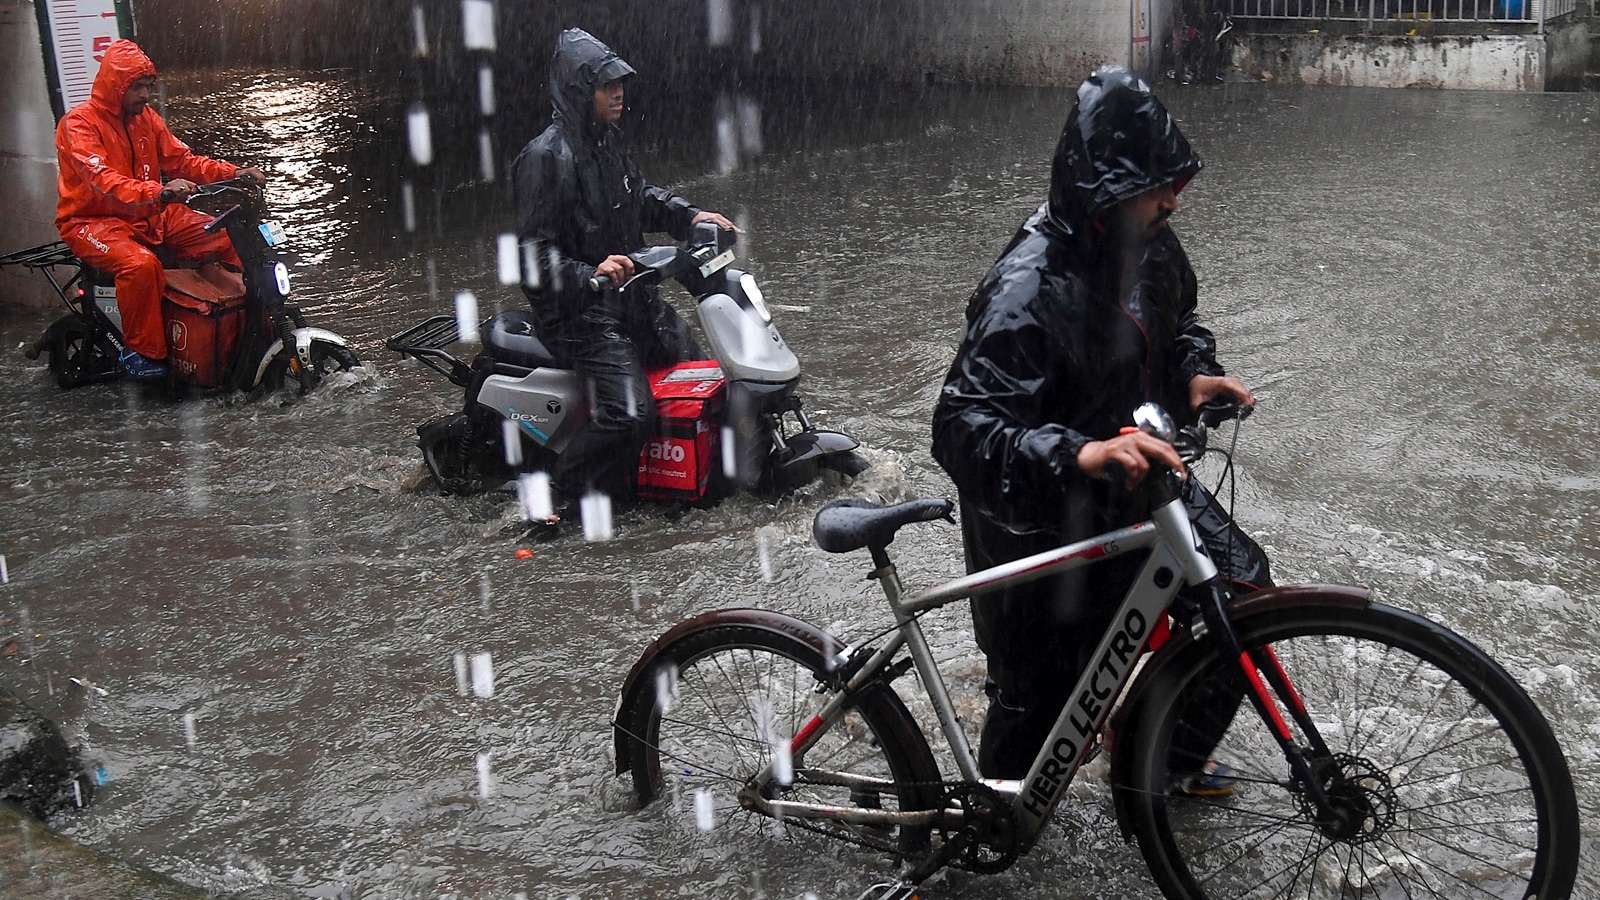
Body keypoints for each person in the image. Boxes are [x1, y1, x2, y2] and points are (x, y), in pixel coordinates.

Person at [930, 66, 1272, 782]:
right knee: (1037, 713)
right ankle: (982, 847)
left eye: (1176, 179)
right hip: (1042, 517)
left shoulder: (1152, 247)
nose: (1174, 197)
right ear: (1103, 193)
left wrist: (1192, 376)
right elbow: (963, 427)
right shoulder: (1026, 290)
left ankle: (1156, 760)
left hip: (1142, 482)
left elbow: (1176, 327)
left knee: (1244, 600)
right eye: (1157, 184)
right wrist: (1077, 455)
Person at [509, 27, 738, 504]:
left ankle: (690, 479)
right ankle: (554, 494)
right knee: (631, 413)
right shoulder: (545, 158)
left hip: (634, 300)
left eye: (620, 83)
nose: (618, 92)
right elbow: (533, 257)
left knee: (706, 379)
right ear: (578, 90)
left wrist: (689, 215)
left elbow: (640, 198)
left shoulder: (607, 142)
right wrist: (590, 273)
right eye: (606, 85)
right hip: (580, 317)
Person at [54, 39, 267, 380]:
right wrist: (161, 192)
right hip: (91, 222)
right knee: (140, 265)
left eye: (148, 87)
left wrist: (234, 172)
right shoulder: (78, 125)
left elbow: (182, 160)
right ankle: (142, 352)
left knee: (227, 236)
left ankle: (245, 320)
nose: (145, 95)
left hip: (151, 213)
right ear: (115, 86)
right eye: (136, 87)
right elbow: (102, 180)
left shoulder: (146, 119)